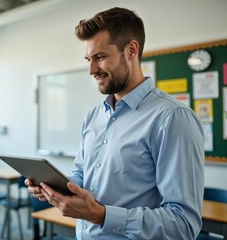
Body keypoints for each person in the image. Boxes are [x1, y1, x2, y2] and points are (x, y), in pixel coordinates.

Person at [26, 7, 205, 239]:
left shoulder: (172, 118)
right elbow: (81, 175)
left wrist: (101, 215)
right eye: (88, 59)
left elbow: (183, 225)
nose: (91, 70)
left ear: (131, 50)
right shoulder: (93, 117)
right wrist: (57, 188)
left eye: (100, 57)